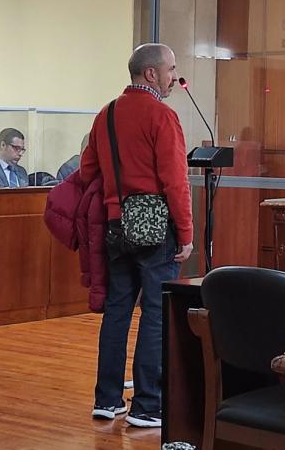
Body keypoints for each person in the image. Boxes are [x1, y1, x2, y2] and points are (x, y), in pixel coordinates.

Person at [80, 43, 193, 427]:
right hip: (156, 227)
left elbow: (88, 169)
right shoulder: (162, 116)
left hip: (116, 224)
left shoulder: (107, 113)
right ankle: (147, 405)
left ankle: (107, 400)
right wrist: (186, 232)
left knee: (117, 311)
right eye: (171, 70)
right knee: (156, 313)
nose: (175, 77)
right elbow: (175, 181)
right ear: (151, 73)